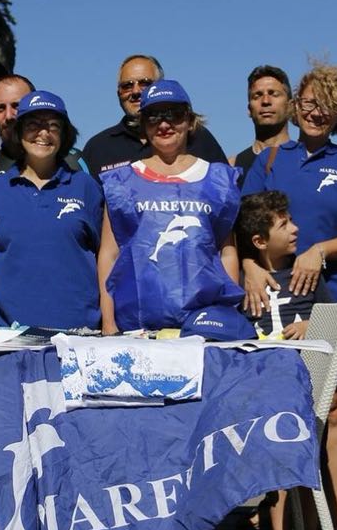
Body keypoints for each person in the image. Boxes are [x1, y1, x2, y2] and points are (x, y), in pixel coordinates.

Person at [241, 59, 337, 530]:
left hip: (336, 302)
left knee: (335, 409)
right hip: (277, 303)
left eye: (328, 106)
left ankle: (333, 522)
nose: (317, 112)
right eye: (310, 102)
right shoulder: (271, 161)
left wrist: (320, 250)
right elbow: (245, 224)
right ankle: (283, 528)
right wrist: (250, 266)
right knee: (282, 413)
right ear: (296, 106)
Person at [97, 80, 244, 333]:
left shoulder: (219, 179)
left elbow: (227, 252)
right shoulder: (122, 182)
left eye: (173, 115)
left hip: (203, 324)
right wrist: (109, 323)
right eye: (154, 116)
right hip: (138, 325)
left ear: (189, 120)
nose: (164, 124)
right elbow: (109, 255)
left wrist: (228, 314)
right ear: (143, 125)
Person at [236, 190, 333, 530]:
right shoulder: (244, 282)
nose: (295, 229)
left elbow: (331, 316)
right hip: (260, 387)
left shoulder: (306, 276)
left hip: (302, 385)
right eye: (284, 225)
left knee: (307, 460)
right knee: (272, 463)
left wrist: (310, 325)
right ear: (259, 241)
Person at [0, 90, 104, 331]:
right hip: (10, 335)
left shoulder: (86, 187)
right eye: (33, 125)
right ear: (19, 131)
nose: (43, 133)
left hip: (78, 332)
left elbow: (105, 259)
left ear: (64, 135)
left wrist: (108, 326)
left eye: (53, 126)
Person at [84, 54, 229, 176]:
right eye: (127, 85)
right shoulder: (98, 147)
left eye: (145, 83)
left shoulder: (198, 137)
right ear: (118, 94)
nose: (135, 91)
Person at [232, 65, 294, 182]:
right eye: (257, 95)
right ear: (249, 109)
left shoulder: (307, 161)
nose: (265, 101)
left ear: (290, 106)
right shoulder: (232, 167)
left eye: (274, 94)